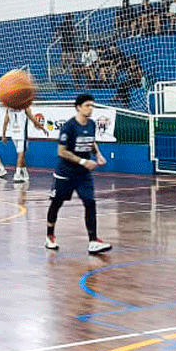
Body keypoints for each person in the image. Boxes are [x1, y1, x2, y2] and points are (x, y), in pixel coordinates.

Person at [44, 94, 111, 255]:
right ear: (78, 107)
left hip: (83, 174)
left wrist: (98, 155)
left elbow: (91, 141)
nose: (90, 108)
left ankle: (93, 241)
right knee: (56, 203)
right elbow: (61, 151)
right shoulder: (69, 127)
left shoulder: (92, 124)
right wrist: (82, 161)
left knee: (90, 202)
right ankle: (50, 236)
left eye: (92, 105)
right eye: (87, 105)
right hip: (66, 173)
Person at [2, 105, 45, 183]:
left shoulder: (9, 108)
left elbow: (5, 121)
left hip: (13, 133)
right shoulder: (25, 108)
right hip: (22, 134)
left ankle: (24, 173)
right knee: (21, 154)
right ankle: (17, 174)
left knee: (20, 154)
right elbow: (34, 120)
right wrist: (42, 128)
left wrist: (3, 135)